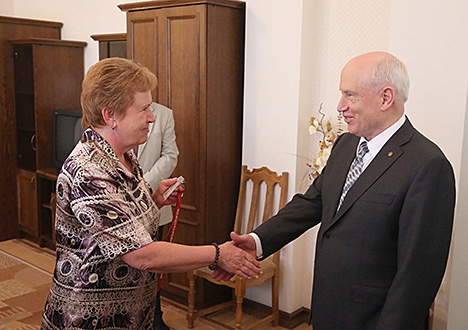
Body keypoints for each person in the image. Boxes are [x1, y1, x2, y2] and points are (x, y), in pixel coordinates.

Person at [216, 52, 456, 330]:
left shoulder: (427, 165)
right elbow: (312, 203)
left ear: (386, 97)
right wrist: (257, 241)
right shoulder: (346, 145)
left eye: (350, 95)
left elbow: (419, 274)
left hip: (373, 320)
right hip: (329, 309)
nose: (340, 106)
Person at [41, 57, 261, 330]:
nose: (152, 117)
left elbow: (119, 223)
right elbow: (141, 255)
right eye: (143, 109)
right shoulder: (90, 171)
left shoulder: (124, 157)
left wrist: (154, 202)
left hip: (129, 312)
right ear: (111, 116)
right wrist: (217, 254)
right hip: (90, 319)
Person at [136, 101, 179, 330]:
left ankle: (156, 319)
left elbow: (171, 156)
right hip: (119, 207)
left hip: (154, 203)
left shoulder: (164, 114)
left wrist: (145, 185)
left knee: (153, 269)